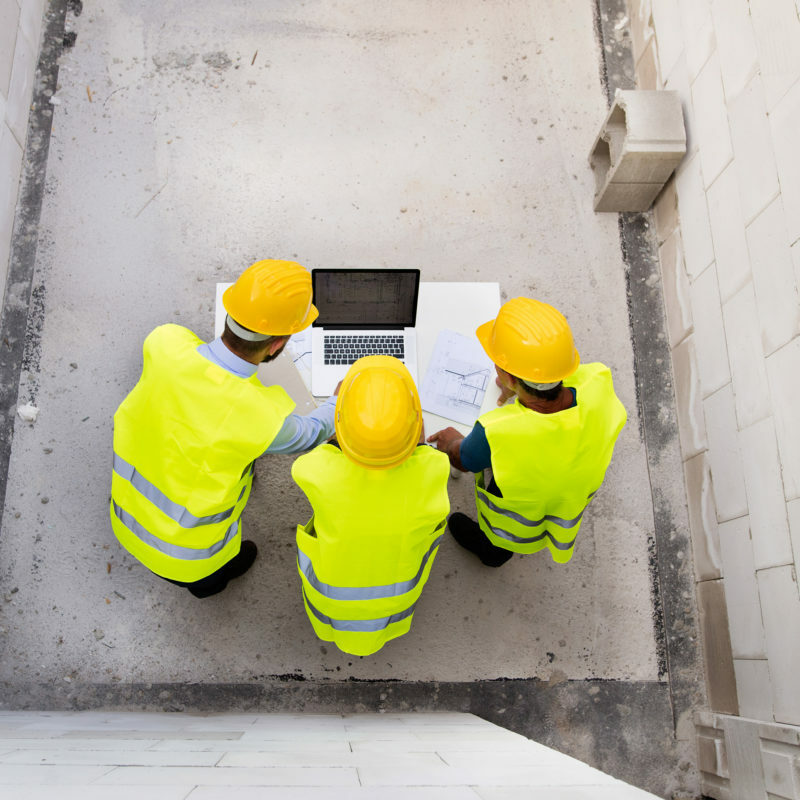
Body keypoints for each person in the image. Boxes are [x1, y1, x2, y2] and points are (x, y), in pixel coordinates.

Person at [110, 259, 339, 598]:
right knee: (208, 581)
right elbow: (313, 432)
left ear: (230, 311)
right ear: (277, 345)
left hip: (123, 519)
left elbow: (194, 362)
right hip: (188, 558)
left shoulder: (163, 342)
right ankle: (213, 581)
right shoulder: (262, 420)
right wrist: (341, 399)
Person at [428, 297, 626, 567]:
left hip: (524, 508)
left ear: (508, 378)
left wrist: (452, 443)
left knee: (498, 541)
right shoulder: (598, 380)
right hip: (571, 478)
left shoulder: (498, 433)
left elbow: (463, 460)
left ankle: (493, 553)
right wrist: (519, 387)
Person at [291, 355, 450, 656]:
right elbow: (427, 457)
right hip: (394, 606)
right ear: (416, 425)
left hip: (327, 604)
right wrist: (412, 437)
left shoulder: (315, 469)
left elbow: (321, 454)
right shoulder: (433, 469)